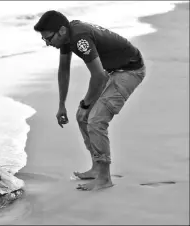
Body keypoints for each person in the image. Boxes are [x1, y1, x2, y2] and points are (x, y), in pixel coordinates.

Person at [33, 10, 146, 191]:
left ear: (61, 31)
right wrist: (62, 105)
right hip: (113, 70)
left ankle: (104, 178)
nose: (47, 43)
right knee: (82, 116)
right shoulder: (67, 37)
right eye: (44, 39)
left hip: (130, 71)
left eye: (48, 38)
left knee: (96, 120)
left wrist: (86, 104)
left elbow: (99, 77)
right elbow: (64, 70)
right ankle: (96, 167)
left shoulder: (80, 39)